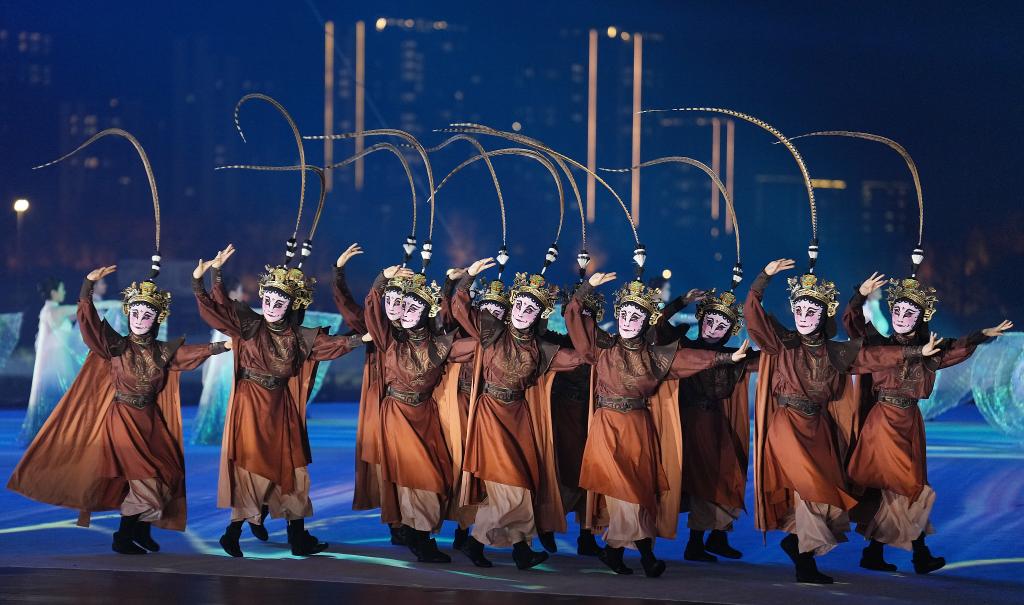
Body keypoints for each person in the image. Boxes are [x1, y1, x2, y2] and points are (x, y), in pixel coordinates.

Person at [9, 265, 230, 554]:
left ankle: (141, 529)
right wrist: (88, 285)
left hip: (150, 420)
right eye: (135, 313)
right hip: (123, 420)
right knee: (145, 477)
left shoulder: (162, 351)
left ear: (156, 319)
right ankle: (124, 536)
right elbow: (89, 324)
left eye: (146, 315)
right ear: (128, 314)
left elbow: (189, 353)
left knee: (168, 472)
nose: (139, 319)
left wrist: (224, 346)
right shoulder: (116, 345)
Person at [747, 258, 926, 584]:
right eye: (799, 310)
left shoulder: (835, 352)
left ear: (823, 315)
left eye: (811, 311)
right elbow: (754, 317)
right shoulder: (783, 343)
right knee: (813, 489)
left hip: (818, 427)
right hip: (788, 425)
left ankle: (797, 544)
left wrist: (915, 353)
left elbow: (874, 356)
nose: (803, 317)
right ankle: (804, 562)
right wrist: (764, 278)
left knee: (831, 491)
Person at [565, 270, 749, 577]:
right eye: (625, 314)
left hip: (639, 427)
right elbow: (573, 317)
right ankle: (645, 556)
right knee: (626, 491)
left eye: (636, 317)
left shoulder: (655, 356)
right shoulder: (601, 346)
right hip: (607, 426)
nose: (628, 321)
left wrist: (725, 360)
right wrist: (586, 289)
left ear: (645, 322)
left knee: (639, 492)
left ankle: (615, 551)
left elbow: (687, 360)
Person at [194, 244, 365, 558]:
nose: (272, 306)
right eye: (268, 300)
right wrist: (208, 277)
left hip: (281, 407)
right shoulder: (249, 325)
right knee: (253, 468)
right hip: (250, 406)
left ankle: (297, 537)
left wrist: (362, 338)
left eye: (280, 301)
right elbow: (217, 311)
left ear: (290, 305)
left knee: (294, 466)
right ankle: (233, 532)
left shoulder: (298, 336)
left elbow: (331, 345)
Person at [844, 272, 1012, 574]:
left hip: (909, 422)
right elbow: (853, 323)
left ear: (920, 317)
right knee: (908, 486)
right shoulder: (878, 344)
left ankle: (875, 552)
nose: (901, 317)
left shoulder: (930, 349)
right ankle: (919, 554)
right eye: (897, 311)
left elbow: (954, 348)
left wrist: (981, 335)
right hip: (883, 424)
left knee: (895, 488)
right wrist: (860, 295)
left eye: (909, 313)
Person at [453, 259, 584, 569]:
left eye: (532, 308)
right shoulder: (493, 333)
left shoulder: (540, 348)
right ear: (512, 306)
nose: (524, 311)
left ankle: (519, 549)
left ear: (539, 314)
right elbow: (460, 309)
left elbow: (582, 357)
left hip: (519, 417)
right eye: (521, 305)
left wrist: (581, 302)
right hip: (491, 415)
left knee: (518, 485)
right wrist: (469, 277)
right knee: (512, 486)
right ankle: (478, 542)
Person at [363, 265, 475, 563]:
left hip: (425, 414)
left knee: (435, 474)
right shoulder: (390, 341)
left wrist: (465, 282)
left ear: (426, 311)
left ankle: (415, 532)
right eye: (403, 306)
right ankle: (418, 537)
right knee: (420, 475)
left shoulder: (440, 345)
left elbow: (481, 342)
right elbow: (372, 313)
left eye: (413, 307)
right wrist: (382, 278)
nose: (405, 312)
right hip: (397, 414)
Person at [676, 289, 759, 562]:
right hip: (692, 425)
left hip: (715, 425)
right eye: (710, 321)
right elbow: (659, 330)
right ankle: (696, 543)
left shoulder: (732, 355)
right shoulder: (684, 347)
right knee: (706, 480)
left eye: (722, 325)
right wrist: (682, 301)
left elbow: (766, 356)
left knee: (729, 476)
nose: (713, 329)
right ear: (701, 320)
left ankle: (718, 536)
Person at [18, 278, 79, 443]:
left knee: (58, 399)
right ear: (54, 292)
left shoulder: (48, 311)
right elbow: (85, 308)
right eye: (62, 289)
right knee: (60, 398)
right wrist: (116, 305)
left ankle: (54, 434)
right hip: (56, 366)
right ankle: (55, 435)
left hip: (56, 364)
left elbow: (76, 315)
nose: (64, 292)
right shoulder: (54, 311)